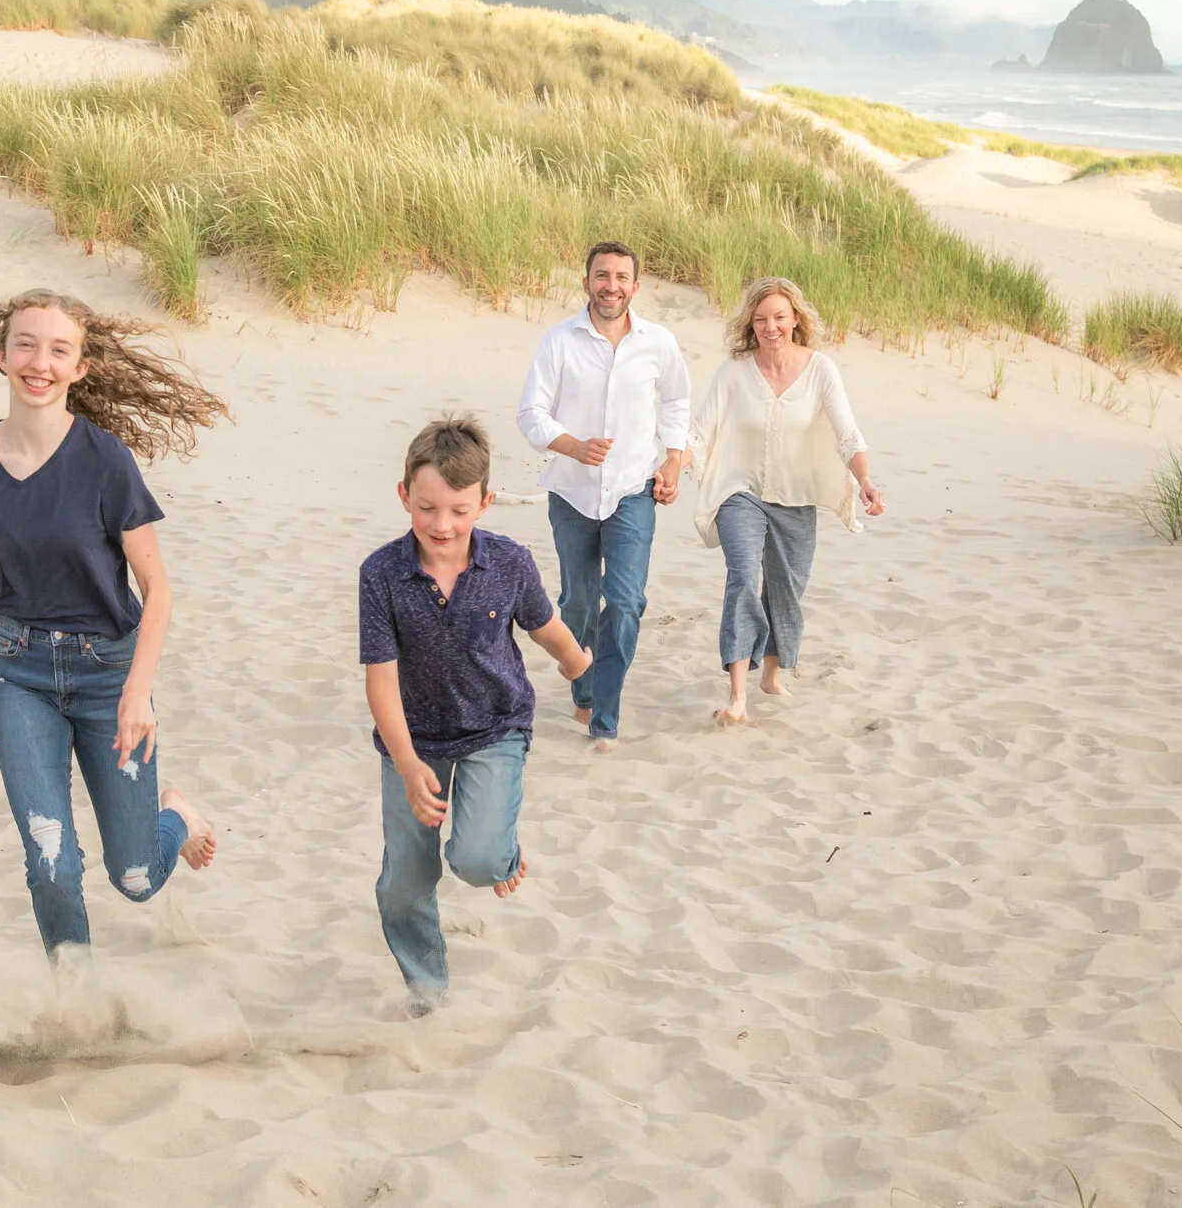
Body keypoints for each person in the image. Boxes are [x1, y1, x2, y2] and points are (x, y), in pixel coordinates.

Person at [0, 288, 229, 957]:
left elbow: (157, 589)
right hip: (18, 673)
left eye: (58, 350)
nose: (40, 362)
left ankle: (175, 815)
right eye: (26, 345)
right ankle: (77, 1004)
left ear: (80, 368)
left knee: (132, 875)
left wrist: (136, 694)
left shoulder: (104, 461)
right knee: (50, 861)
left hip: (109, 675)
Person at [360, 417, 592, 1015]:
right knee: (402, 885)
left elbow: (545, 627)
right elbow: (381, 679)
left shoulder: (510, 564)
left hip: (496, 726)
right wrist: (408, 764)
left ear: (485, 503)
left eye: (459, 510)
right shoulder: (381, 574)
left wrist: (575, 663)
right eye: (427, 507)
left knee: (477, 860)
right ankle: (428, 991)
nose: (442, 525)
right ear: (404, 496)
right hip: (414, 740)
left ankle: (504, 854)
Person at [516, 242, 690, 751]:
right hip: (571, 493)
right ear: (586, 281)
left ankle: (604, 719)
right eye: (601, 275)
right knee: (577, 602)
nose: (610, 285)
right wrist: (573, 446)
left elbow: (678, 401)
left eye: (620, 277)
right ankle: (585, 690)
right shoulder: (559, 342)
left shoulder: (658, 342)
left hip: (634, 490)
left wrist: (674, 459)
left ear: (635, 287)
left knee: (627, 601)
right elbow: (531, 413)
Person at [688, 277, 885, 725]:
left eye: (779, 317)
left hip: (796, 500)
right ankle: (737, 694)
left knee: (786, 588)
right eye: (760, 319)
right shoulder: (735, 369)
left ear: (796, 318)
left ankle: (770, 674)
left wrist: (866, 481)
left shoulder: (820, 369)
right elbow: (700, 431)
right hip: (741, 493)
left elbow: (846, 433)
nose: (770, 327)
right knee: (742, 576)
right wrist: (672, 466)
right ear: (750, 324)